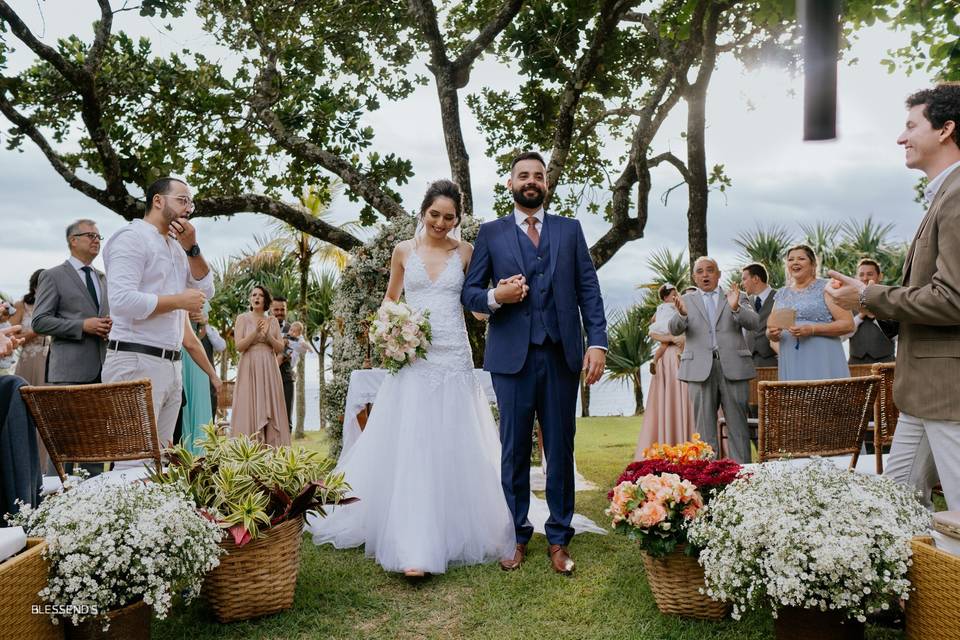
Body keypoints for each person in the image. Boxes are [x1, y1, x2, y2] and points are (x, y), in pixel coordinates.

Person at [308, 180, 515, 576]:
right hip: (413, 358)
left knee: (454, 438)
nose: (440, 223)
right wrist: (391, 329)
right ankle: (413, 545)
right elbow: (391, 298)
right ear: (423, 212)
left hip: (453, 355)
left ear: (458, 219)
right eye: (434, 214)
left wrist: (494, 302)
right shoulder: (403, 251)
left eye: (449, 217)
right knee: (415, 441)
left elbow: (475, 307)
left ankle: (460, 525)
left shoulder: (468, 252)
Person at [463, 152, 608, 575]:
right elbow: (470, 293)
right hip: (511, 358)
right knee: (513, 450)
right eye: (523, 175)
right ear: (510, 184)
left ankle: (560, 536)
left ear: (546, 184)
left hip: (562, 355)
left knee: (560, 447)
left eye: (538, 176)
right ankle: (516, 534)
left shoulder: (570, 230)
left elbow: (589, 290)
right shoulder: (490, 234)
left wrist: (596, 343)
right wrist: (495, 297)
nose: (531, 181)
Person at [827, 84, 960, 510]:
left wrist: (867, 294)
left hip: (947, 391)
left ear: (946, 130)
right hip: (922, 391)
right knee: (896, 507)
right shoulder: (943, 194)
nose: (901, 138)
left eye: (910, 126)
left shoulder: (958, 196)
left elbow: (952, 299)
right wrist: (864, 300)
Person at [102, 178, 213, 459]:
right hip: (134, 360)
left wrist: (192, 248)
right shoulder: (131, 238)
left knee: (160, 463)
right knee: (133, 460)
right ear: (158, 201)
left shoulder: (177, 246)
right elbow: (122, 301)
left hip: (171, 365)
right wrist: (178, 301)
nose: (189, 207)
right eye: (182, 200)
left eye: (191, 201)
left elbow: (205, 289)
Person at [669, 257, 759, 464]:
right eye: (700, 271)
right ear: (694, 277)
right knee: (704, 429)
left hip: (733, 367)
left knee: (738, 427)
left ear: (718, 274)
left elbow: (754, 323)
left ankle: (741, 477)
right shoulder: (686, 300)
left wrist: (736, 308)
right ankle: (709, 480)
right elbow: (673, 329)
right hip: (699, 370)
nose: (705, 275)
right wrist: (681, 314)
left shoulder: (737, 295)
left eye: (710, 270)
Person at [32, 219, 111, 385]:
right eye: (90, 235)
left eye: (98, 236)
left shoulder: (103, 278)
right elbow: (39, 322)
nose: (96, 240)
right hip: (69, 374)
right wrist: (82, 326)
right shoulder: (52, 276)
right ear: (73, 240)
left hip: (106, 372)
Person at [766, 245, 853, 381]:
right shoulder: (782, 294)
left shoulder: (827, 288)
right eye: (790, 259)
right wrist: (771, 334)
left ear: (813, 264)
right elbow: (771, 332)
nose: (795, 262)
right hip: (792, 360)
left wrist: (812, 329)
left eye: (801, 258)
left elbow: (848, 324)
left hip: (822, 358)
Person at [635, 283, 696, 457]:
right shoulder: (670, 310)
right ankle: (669, 443)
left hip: (686, 357)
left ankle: (691, 441)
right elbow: (652, 332)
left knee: (688, 399)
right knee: (670, 399)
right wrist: (672, 338)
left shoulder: (682, 312)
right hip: (669, 360)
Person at [231, 285, 290, 446]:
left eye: (260, 295)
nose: (256, 298)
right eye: (253, 295)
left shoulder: (272, 321)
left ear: (266, 300)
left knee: (270, 405)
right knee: (248, 404)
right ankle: (250, 447)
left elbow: (279, 348)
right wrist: (255, 332)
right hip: (249, 366)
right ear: (250, 299)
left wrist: (268, 337)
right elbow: (239, 346)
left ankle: (271, 447)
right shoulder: (242, 319)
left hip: (269, 367)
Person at [179, 313, 222, 454]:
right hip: (179, 351)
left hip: (196, 355)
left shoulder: (202, 301)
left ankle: (199, 450)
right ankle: (182, 447)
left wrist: (203, 324)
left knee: (198, 401)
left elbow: (200, 336)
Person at [847, 258, 898, 365]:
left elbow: (898, 336)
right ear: (856, 277)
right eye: (861, 274)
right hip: (855, 364)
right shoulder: (848, 301)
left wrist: (875, 315)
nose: (865, 278)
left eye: (870, 274)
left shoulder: (890, 300)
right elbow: (843, 336)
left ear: (880, 276)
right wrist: (860, 316)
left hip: (887, 363)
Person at [9, 270, 48, 385]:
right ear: (35, 287)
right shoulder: (21, 306)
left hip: (51, 360)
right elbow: (11, 337)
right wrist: (36, 332)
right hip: (29, 359)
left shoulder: (55, 307)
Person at [740, 263, 778, 367]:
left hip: (773, 361)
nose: (742, 283)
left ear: (756, 278)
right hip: (750, 363)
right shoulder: (746, 302)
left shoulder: (779, 297)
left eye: (744, 279)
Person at [270, 296, 295, 425]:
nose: (279, 312)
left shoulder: (293, 330)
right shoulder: (265, 327)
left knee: (286, 419)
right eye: (276, 309)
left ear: (286, 310)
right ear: (270, 309)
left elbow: (290, 353)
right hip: (266, 379)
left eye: (282, 309)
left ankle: (286, 445)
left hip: (285, 378)